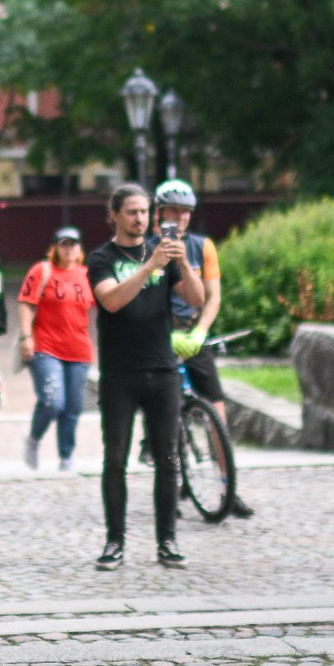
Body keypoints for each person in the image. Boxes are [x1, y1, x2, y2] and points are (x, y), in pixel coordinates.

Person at [87, 182, 206, 567]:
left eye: (144, 212)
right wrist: (150, 266)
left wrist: (182, 262)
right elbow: (111, 300)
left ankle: (167, 541)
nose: (140, 219)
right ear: (115, 215)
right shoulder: (101, 258)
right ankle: (115, 542)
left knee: (168, 459)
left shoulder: (165, 254)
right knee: (115, 460)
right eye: (132, 212)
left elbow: (197, 299)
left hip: (162, 368)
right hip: (120, 372)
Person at [154, 179, 253, 517]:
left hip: (193, 334)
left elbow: (213, 298)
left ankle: (228, 487)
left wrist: (199, 333)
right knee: (166, 418)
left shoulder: (202, 246)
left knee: (217, 416)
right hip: (160, 336)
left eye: (185, 212)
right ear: (160, 213)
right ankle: (169, 487)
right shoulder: (148, 247)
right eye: (173, 211)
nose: (180, 217)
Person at [17, 226, 94, 472]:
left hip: (79, 350)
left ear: (80, 249)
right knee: (53, 400)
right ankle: (33, 439)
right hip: (46, 347)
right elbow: (25, 303)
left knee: (73, 407)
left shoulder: (87, 275)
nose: (69, 249)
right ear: (56, 248)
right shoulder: (43, 271)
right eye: (64, 244)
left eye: (73, 244)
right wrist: (26, 336)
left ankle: (66, 456)